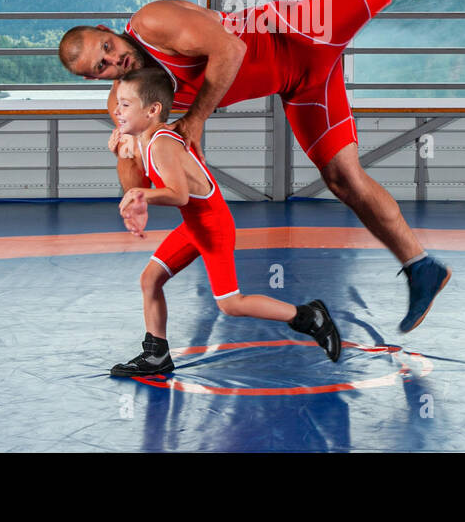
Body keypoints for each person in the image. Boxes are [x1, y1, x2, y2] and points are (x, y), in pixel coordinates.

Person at [61, 0, 451, 333]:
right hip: (300, 84)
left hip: (301, 33)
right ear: (93, 80)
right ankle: (421, 266)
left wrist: (197, 118)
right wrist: (133, 190)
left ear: (109, 31)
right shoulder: (126, 100)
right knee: (343, 178)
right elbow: (139, 163)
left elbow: (231, 48)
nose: (113, 62)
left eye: (108, 48)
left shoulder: (152, 22)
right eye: (99, 68)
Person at [107, 66, 341, 378]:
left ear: (152, 110)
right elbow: (146, 183)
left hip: (212, 225)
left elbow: (178, 196)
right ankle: (156, 354)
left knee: (231, 303)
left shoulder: (162, 144)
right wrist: (125, 159)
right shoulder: (140, 139)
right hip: (194, 226)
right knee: (150, 279)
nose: (117, 111)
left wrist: (140, 196)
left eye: (125, 105)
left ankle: (309, 316)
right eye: (117, 103)